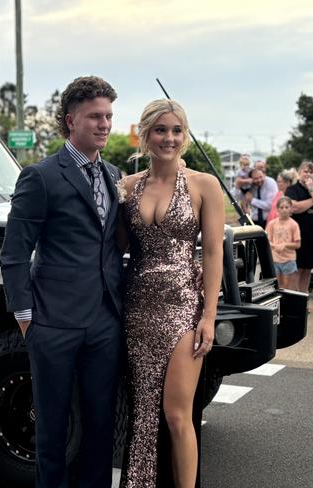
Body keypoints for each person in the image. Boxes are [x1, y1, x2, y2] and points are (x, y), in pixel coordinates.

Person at [0, 76, 123, 488]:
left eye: (108, 116)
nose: (104, 124)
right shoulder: (41, 176)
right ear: (71, 120)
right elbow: (15, 252)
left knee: (102, 426)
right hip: (52, 324)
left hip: (105, 321)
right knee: (52, 430)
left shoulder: (113, 174)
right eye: (95, 116)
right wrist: (25, 316)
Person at [118, 99, 224, 488]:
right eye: (161, 130)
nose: (170, 138)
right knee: (143, 413)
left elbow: (212, 252)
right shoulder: (128, 187)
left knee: (178, 415)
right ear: (145, 135)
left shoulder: (203, 185)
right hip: (138, 308)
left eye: (177, 130)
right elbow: (113, 248)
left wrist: (208, 316)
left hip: (183, 310)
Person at [284, 160, 313, 294]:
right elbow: (295, 207)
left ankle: (304, 299)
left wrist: (311, 190)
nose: (308, 174)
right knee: (297, 269)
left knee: (308, 269)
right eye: (305, 171)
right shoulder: (292, 189)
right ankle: (295, 300)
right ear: (299, 173)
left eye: (311, 172)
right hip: (299, 234)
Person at [266, 196, 301, 290]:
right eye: (281, 207)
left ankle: (287, 303)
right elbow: (267, 241)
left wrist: (285, 245)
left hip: (288, 260)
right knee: (277, 285)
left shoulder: (294, 224)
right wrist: (275, 246)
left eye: (287, 207)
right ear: (277, 209)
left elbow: (297, 244)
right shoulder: (272, 224)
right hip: (275, 259)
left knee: (287, 286)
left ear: (291, 209)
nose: (284, 210)